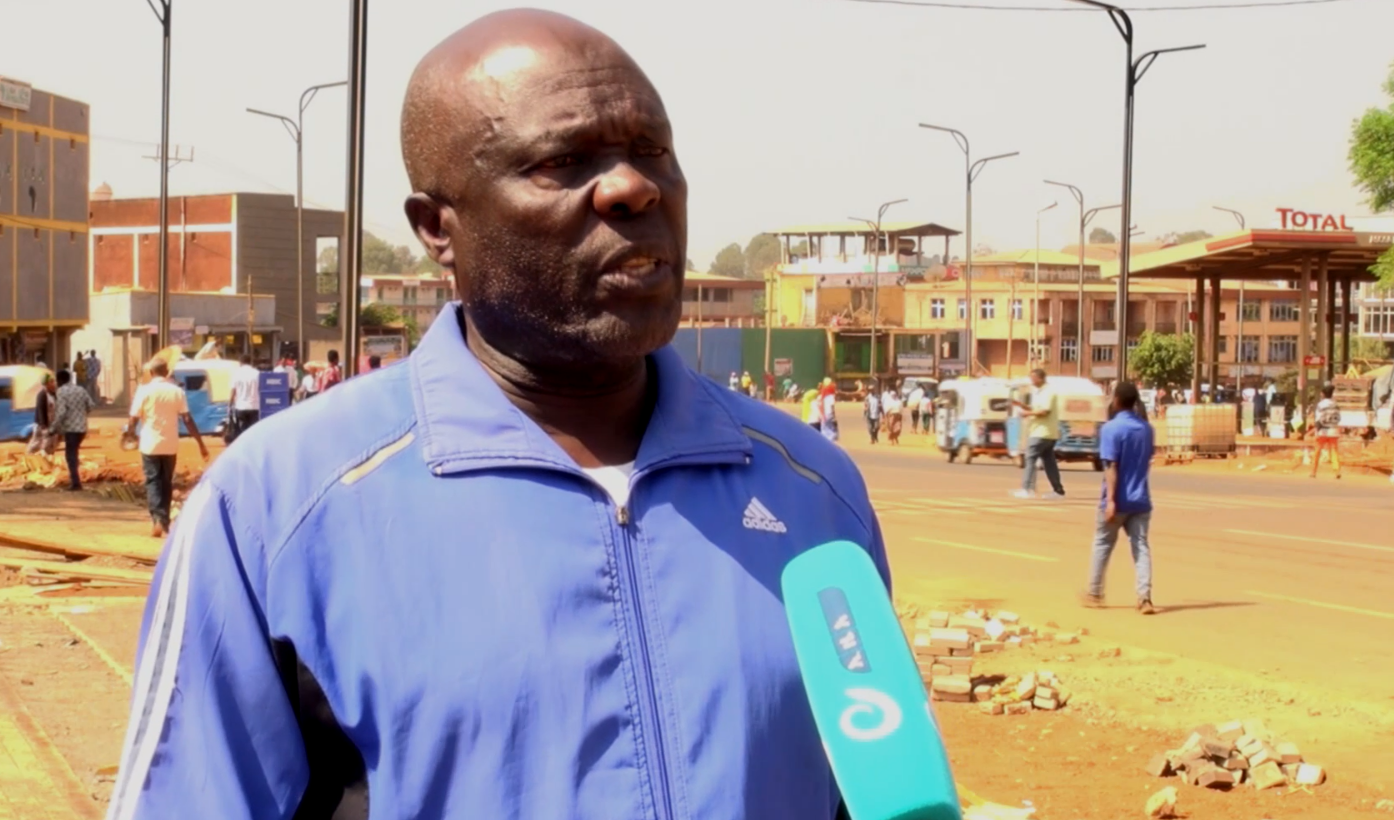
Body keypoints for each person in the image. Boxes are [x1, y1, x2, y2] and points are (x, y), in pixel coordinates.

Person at [105, 12, 888, 820]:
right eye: (562, 162)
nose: (633, 186)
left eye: (652, 149)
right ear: (437, 229)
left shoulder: (814, 493)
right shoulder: (275, 509)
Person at [1083, 382, 1156, 614]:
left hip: (1117, 500)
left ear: (1116, 400)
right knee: (1141, 547)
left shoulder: (1111, 429)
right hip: (1141, 499)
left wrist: (1111, 501)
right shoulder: (1147, 429)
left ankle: (1094, 593)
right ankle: (1144, 598)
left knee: (1103, 543)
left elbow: (1111, 467)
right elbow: (1146, 462)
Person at [127, 358, 209, 538]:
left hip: (149, 445)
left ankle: (158, 518)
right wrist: (200, 443)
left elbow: (133, 418)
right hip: (170, 444)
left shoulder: (144, 391)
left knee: (152, 481)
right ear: (166, 372)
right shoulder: (177, 391)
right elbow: (187, 419)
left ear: (151, 373)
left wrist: (129, 435)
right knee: (166, 482)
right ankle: (163, 522)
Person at [1012, 368, 1065, 500]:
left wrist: (1026, 414)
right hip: (1045, 433)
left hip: (1041, 432)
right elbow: (1036, 409)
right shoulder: (1039, 392)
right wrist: (1022, 406)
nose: (1031, 381)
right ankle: (1058, 491)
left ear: (1040, 378)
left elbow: (1044, 411)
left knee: (1030, 458)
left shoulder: (1049, 392)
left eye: (1033, 378)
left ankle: (1027, 489)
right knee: (1049, 462)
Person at [52, 369, 94, 491]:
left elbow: (61, 412)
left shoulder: (61, 392)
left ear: (59, 380)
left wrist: (53, 427)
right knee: (74, 453)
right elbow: (91, 405)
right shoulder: (80, 389)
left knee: (70, 455)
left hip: (71, 429)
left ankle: (76, 483)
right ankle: (76, 480)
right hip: (82, 428)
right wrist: (81, 415)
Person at [1309, 382, 1342, 479]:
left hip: (1322, 431)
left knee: (1317, 451)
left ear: (1323, 394)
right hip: (1333, 430)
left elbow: (1318, 419)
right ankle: (1337, 471)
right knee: (1334, 451)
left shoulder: (1320, 404)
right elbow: (1338, 417)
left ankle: (1313, 472)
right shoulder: (1335, 404)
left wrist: (1316, 430)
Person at [228, 355, 262, 442]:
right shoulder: (257, 373)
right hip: (254, 406)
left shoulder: (236, 374)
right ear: (250, 362)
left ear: (240, 362)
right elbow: (261, 389)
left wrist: (229, 405)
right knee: (254, 430)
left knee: (242, 431)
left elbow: (233, 391)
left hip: (241, 406)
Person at [26, 373, 58, 456]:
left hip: (51, 424)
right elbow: (40, 410)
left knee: (50, 445)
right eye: (51, 381)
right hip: (41, 425)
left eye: (53, 381)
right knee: (36, 443)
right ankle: (28, 458)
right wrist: (43, 426)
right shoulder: (42, 395)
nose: (54, 383)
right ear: (46, 383)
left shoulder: (54, 394)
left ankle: (48, 459)